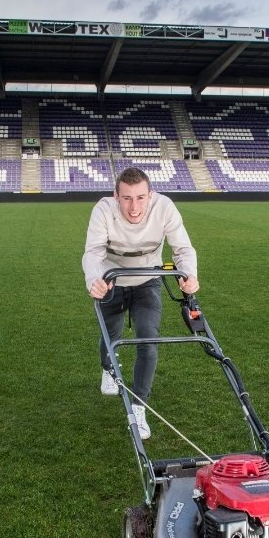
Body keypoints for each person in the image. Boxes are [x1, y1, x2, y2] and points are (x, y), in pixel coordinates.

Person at [82, 167, 199, 440]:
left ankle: (138, 407)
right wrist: (94, 280)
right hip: (111, 280)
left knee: (148, 338)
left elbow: (182, 248)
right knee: (111, 334)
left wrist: (189, 274)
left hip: (148, 279)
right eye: (127, 198)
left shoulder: (164, 207)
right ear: (116, 196)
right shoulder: (103, 210)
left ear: (151, 195)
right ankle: (108, 368)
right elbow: (93, 252)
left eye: (140, 198)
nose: (134, 207)